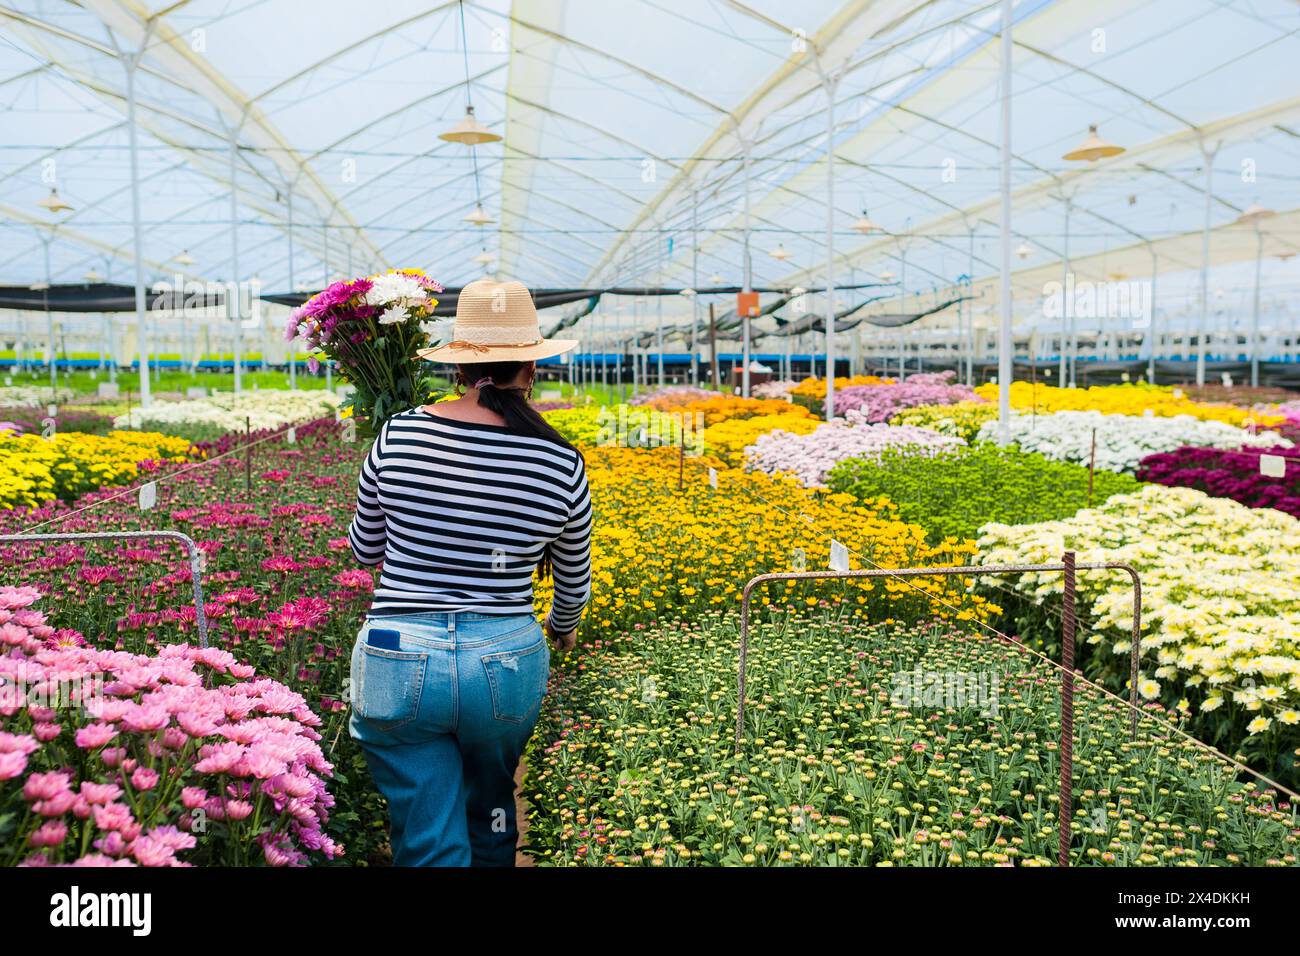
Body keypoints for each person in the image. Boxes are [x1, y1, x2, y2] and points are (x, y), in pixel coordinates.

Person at [346, 278, 590, 866]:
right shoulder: (560, 461)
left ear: (457, 366)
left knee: (427, 832)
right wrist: (562, 625)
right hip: (502, 658)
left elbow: (363, 550)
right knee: (493, 804)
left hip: (397, 653)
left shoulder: (398, 434)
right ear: (530, 368)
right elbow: (571, 578)